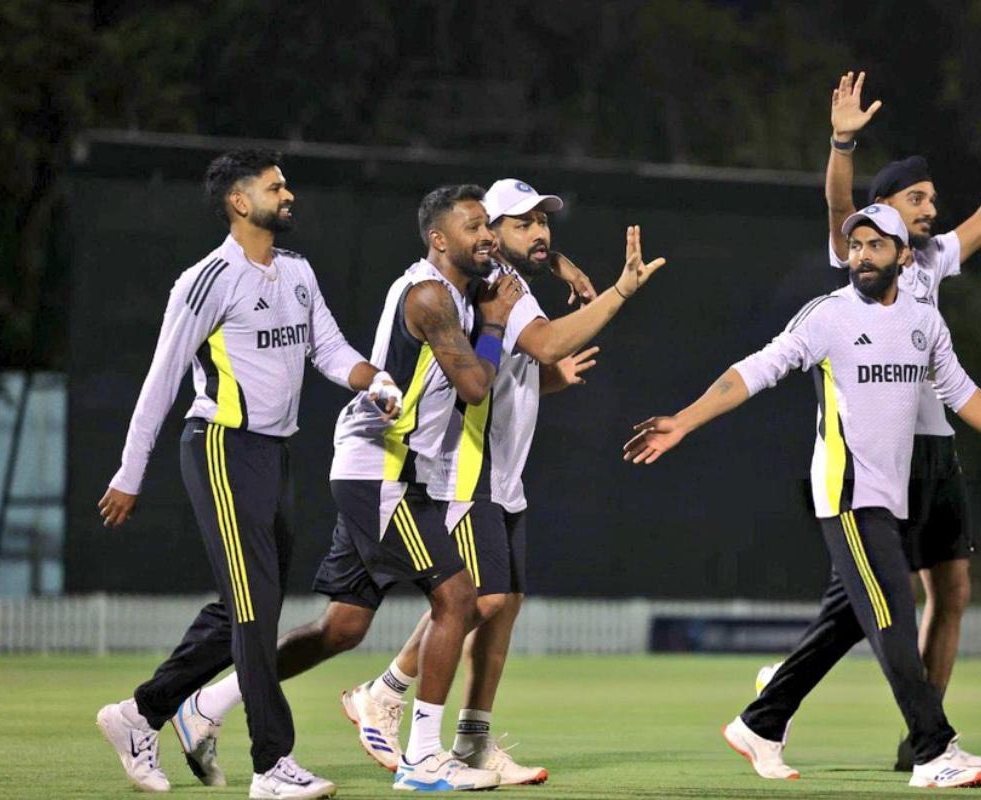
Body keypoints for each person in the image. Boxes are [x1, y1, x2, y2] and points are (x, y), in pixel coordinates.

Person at [172, 180, 665, 790]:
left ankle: (208, 705)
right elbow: (479, 385)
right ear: (440, 239)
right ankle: (421, 752)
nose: (488, 237)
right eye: (482, 227)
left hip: (398, 467)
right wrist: (547, 306)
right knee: (461, 599)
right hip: (383, 467)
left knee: (344, 628)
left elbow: (507, 324)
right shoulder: (433, 295)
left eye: (493, 226)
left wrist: (554, 264)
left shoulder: (471, 288)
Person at [623, 204, 981, 790]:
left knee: (845, 622)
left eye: (876, 245)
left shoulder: (924, 321)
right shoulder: (828, 316)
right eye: (854, 245)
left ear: (903, 256)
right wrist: (684, 420)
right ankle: (933, 750)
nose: (861, 254)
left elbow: (960, 390)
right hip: (848, 493)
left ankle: (761, 722)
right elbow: (755, 370)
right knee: (892, 614)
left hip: (894, 497)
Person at [760, 71, 981, 770]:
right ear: (882, 213)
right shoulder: (864, 252)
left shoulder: (929, 259)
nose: (933, 208)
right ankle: (918, 732)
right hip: (881, 452)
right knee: (878, 600)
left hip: (936, 448)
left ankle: (915, 734)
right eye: (918, 199)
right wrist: (842, 141)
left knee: (945, 592)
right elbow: (839, 201)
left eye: (932, 198)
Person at [96, 149, 399, 799]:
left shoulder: (295, 270)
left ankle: (139, 715)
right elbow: (161, 380)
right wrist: (130, 472)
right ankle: (272, 765)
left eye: (285, 185)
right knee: (256, 610)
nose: (288, 195)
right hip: (220, 447)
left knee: (245, 603)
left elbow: (328, 348)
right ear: (239, 202)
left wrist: (371, 379)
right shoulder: (207, 280)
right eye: (274, 187)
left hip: (275, 455)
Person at [342, 178, 666, 785]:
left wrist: (550, 371)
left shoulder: (509, 287)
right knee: (479, 598)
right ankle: (384, 694)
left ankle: (472, 742)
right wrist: (620, 290)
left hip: (503, 472)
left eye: (544, 222)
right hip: (468, 471)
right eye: (523, 224)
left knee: (505, 604)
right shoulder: (495, 291)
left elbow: (516, 373)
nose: (539, 232)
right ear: (489, 233)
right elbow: (544, 343)